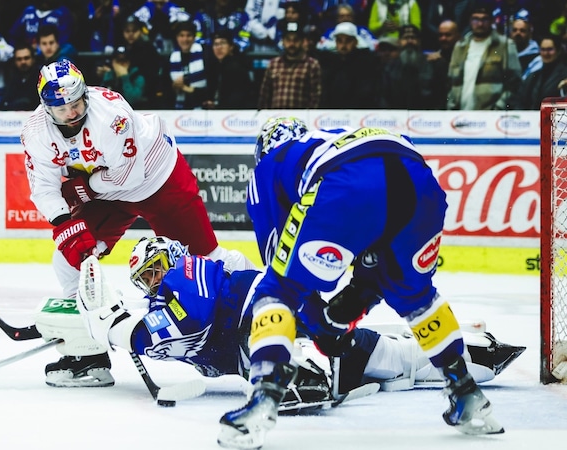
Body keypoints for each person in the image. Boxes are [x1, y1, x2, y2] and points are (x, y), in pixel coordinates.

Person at [208, 117, 506, 448]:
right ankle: (466, 392)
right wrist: (354, 302)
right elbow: (376, 261)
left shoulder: (269, 164)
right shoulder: (327, 137)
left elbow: (283, 269)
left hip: (348, 183)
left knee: (276, 292)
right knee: (415, 296)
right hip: (420, 181)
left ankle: (264, 395)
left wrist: (318, 325)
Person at [38, 236, 525, 414]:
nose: (155, 279)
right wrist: (125, 331)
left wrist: (120, 331)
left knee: (294, 375)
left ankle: (311, 374)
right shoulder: (165, 300)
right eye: (146, 277)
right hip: (280, 334)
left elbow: (191, 319)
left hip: (272, 323)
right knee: (402, 365)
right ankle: (477, 354)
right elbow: (179, 340)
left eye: (156, 267)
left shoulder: (189, 273)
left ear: (173, 257)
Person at [20, 59, 257, 389]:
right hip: (105, 194)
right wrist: (65, 225)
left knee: (208, 262)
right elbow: (43, 187)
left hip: (158, 179)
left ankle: (264, 309)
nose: (72, 113)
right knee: (68, 260)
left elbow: (129, 175)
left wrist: (85, 188)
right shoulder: (34, 133)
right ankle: (89, 354)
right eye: (63, 110)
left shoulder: (112, 113)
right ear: (47, 109)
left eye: (77, 103)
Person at [446, 1, 521, 110]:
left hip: (490, 118)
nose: (480, 24)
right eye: (476, 19)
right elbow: (451, 82)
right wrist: (451, 107)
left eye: (484, 19)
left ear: (491, 21)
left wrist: (498, 108)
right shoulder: (460, 46)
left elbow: (515, 84)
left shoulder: (505, 45)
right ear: (470, 21)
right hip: (460, 115)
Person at [257, 21, 321, 110]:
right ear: (283, 41)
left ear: (302, 41)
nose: (292, 44)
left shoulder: (312, 65)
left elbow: (316, 96)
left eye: (295, 40)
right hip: (276, 118)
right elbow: (264, 96)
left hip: (301, 119)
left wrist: (309, 116)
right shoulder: (273, 64)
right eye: (288, 40)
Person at [203, 29, 255, 110]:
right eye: (215, 44)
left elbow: (237, 99)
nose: (219, 47)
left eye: (223, 43)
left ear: (231, 46)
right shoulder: (214, 67)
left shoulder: (236, 67)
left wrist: (217, 106)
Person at [511, 36, 567, 110]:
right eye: (542, 49)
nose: (546, 53)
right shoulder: (533, 75)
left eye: (550, 49)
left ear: (558, 51)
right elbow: (519, 99)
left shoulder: (565, 75)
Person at [168, 20, 207, 110]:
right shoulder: (171, 58)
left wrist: (185, 87)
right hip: (178, 109)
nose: (185, 39)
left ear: (194, 37)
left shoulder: (205, 55)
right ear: (177, 37)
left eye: (188, 35)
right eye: (181, 36)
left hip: (202, 107)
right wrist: (174, 86)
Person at [0, 45, 39, 111]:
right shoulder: (12, 79)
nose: (23, 62)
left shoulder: (41, 78)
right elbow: (2, 104)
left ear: (33, 59)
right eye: (19, 59)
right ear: (15, 61)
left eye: (26, 58)